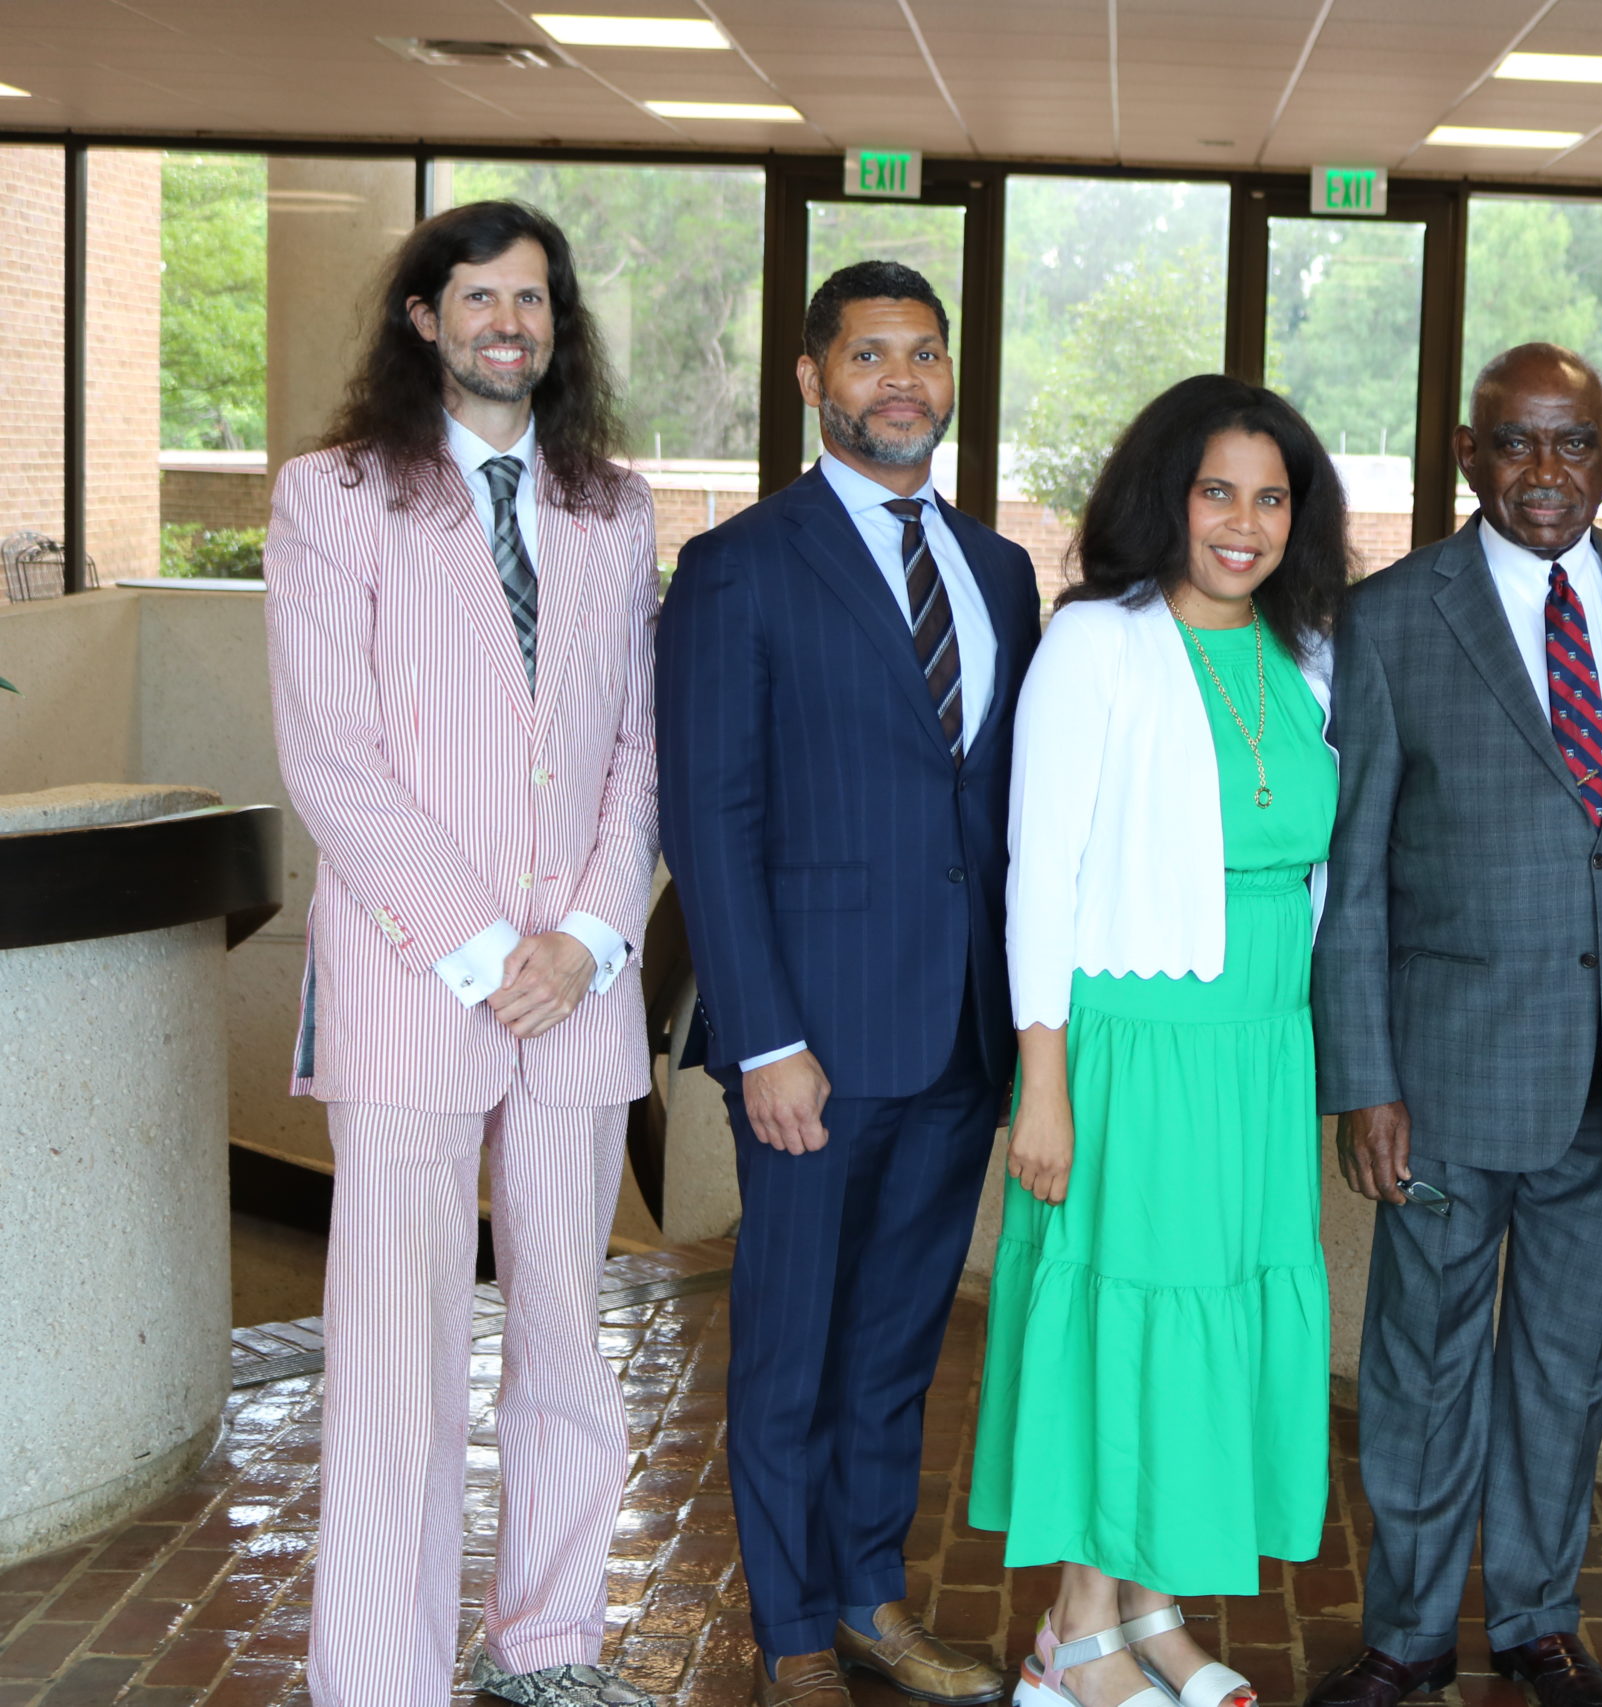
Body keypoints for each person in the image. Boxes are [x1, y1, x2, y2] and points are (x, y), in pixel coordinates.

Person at [265, 200, 661, 1707]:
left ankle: (549, 1647)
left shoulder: (610, 509)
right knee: (399, 1352)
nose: (513, 323)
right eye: (481, 298)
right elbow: (333, 757)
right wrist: (497, 948)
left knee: (569, 1334)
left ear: (559, 328)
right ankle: (379, 1676)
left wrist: (591, 943)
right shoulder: (337, 494)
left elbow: (637, 746)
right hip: (414, 983)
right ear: (423, 318)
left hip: (578, 990)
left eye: (536, 300)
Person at [656, 260, 1041, 1707]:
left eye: (925, 355)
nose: (902, 380)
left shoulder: (999, 573)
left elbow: (1003, 816)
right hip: (808, 1048)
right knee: (790, 1352)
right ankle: (794, 1634)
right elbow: (711, 821)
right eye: (869, 354)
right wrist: (765, 1039)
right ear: (811, 380)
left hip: (955, 1042)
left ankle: (873, 1598)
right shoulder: (741, 566)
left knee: (894, 1348)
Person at [1309, 344, 1602, 1707]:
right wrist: (1364, 1079)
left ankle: (1535, 1618)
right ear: (1469, 453)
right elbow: (1351, 871)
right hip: (1442, 1079)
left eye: (1575, 442)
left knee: (1565, 1369)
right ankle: (1411, 1635)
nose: (1548, 471)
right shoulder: (1393, 618)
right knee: (1422, 1371)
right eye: (1517, 443)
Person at [972, 372, 1350, 1707]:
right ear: (1165, 501)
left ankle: (1149, 1613)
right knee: (1118, 1320)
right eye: (1215, 494)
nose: (1241, 524)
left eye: (1269, 497)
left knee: (1211, 1324)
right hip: (1134, 1040)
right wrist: (1047, 1084)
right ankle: (1073, 1641)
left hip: (1258, 1041)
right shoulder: (1099, 643)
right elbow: (1041, 873)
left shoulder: (1307, 652)